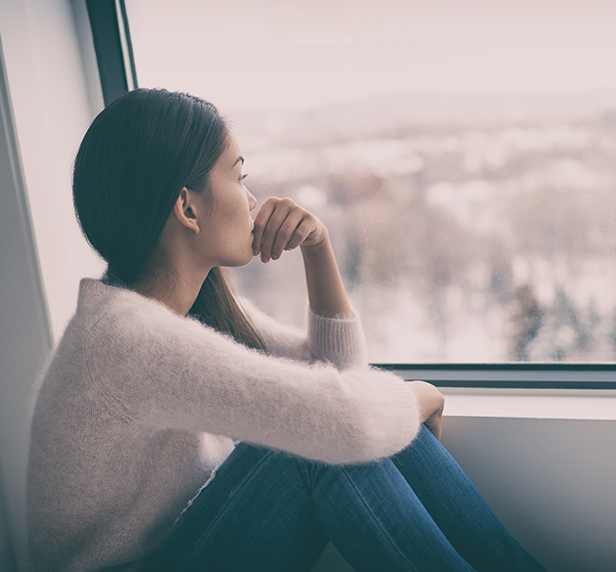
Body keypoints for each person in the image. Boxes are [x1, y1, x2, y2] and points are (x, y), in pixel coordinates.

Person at [27, 88, 545, 572]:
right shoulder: (125, 340)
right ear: (188, 207)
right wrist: (419, 397)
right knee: (319, 438)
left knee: (344, 424)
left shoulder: (185, 309)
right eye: (239, 178)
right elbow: (345, 421)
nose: (252, 201)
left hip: (190, 544)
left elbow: (338, 378)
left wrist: (318, 251)